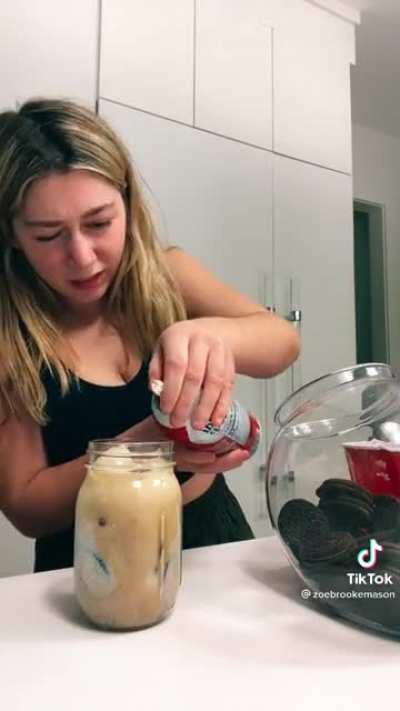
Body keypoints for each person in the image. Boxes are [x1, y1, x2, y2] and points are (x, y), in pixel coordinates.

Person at [0, 98, 300, 573]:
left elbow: (282, 341)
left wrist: (206, 333)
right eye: (47, 235)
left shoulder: (167, 275)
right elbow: (28, 508)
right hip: (90, 557)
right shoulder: (9, 335)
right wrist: (149, 444)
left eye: (99, 223)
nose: (83, 257)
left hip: (211, 534)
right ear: (13, 234)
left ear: (127, 202)